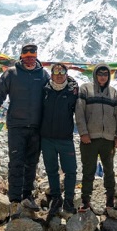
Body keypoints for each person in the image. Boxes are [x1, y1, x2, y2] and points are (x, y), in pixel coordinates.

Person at [0, 43, 48, 217]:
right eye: (27, 57)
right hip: (16, 126)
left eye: (33, 56)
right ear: (21, 57)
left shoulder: (43, 75)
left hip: (37, 126)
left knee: (32, 163)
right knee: (16, 162)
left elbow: (50, 99)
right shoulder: (11, 74)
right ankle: (14, 199)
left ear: (36, 56)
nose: (30, 59)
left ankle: (27, 196)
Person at [75, 63, 117, 212]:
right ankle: (86, 201)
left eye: (105, 74)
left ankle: (110, 201)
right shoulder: (85, 89)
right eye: (100, 74)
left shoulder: (113, 92)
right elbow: (79, 112)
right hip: (89, 138)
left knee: (109, 170)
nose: (103, 77)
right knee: (88, 170)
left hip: (108, 139)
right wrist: (83, 133)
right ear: (95, 75)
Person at [40, 62, 79, 218]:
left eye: (62, 73)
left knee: (70, 170)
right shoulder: (44, 90)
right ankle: (56, 197)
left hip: (65, 138)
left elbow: (82, 111)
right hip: (47, 138)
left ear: (66, 74)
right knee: (51, 170)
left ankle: (68, 199)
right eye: (56, 73)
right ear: (51, 75)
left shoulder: (73, 91)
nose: (59, 75)